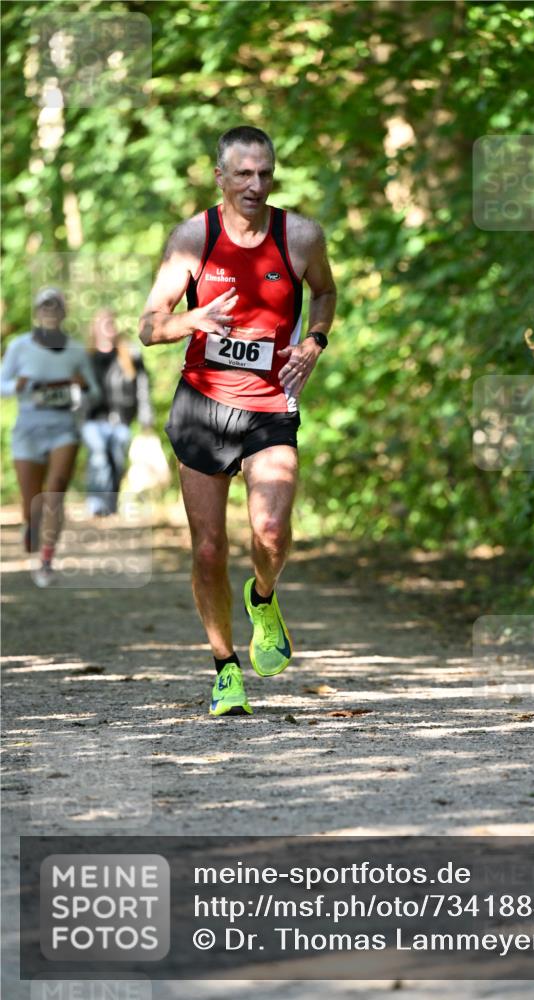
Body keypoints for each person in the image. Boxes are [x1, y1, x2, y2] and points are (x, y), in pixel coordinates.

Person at [139, 125, 336, 716]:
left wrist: (316, 341)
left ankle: (264, 596)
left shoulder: (299, 236)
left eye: (265, 174)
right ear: (219, 176)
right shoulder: (192, 238)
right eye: (243, 174)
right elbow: (149, 327)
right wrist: (194, 319)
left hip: (271, 404)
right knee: (206, 550)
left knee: (270, 532)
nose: (255, 184)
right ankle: (225, 667)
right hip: (202, 405)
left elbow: (324, 293)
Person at [0, 287, 100, 586]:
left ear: (64, 312)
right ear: (37, 311)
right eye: (45, 306)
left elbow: (94, 393)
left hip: (63, 427)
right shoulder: (20, 346)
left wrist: (81, 387)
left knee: (55, 491)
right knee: (33, 503)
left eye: (56, 306)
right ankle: (32, 525)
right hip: (28, 429)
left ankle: (45, 561)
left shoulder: (76, 350)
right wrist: (18, 385)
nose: (50, 311)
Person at [83, 308, 154, 516]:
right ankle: (97, 506)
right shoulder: (86, 356)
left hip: (122, 419)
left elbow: (142, 386)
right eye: (103, 324)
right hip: (93, 419)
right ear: (95, 328)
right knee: (98, 458)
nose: (108, 328)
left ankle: (110, 505)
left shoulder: (129, 353)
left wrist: (145, 416)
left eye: (111, 323)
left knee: (117, 461)